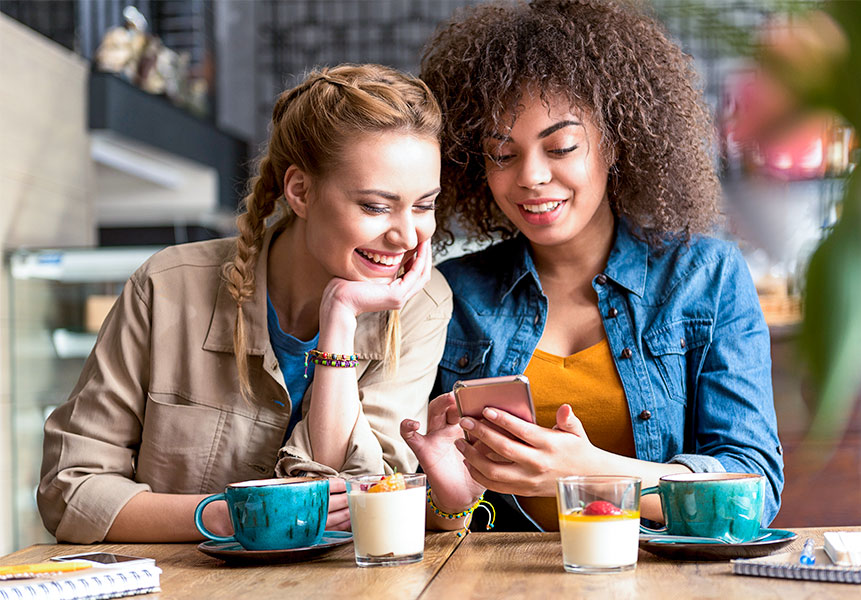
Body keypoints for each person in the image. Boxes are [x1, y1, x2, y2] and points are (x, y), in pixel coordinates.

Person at [402, 0, 783, 532]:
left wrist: (589, 472)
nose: (531, 177)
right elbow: (431, 511)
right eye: (503, 154)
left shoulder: (704, 277)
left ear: (616, 141)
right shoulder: (455, 297)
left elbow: (754, 493)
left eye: (560, 146)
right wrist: (449, 499)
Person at [38, 64, 452, 543]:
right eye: (376, 207)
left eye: (424, 205)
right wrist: (225, 516)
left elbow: (356, 495)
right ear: (300, 191)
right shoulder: (168, 287)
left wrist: (340, 313)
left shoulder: (421, 305)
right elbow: (69, 489)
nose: (406, 235)